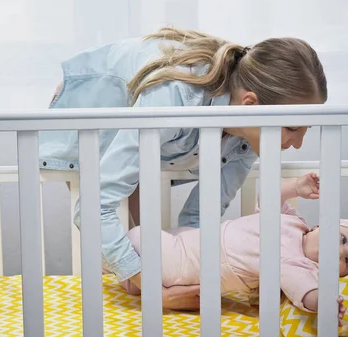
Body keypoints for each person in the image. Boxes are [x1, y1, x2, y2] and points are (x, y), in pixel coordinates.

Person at [39, 26, 328, 309]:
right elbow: (92, 206)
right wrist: (154, 289)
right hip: (92, 104)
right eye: (292, 128)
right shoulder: (176, 96)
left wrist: (191, 276)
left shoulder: (247, 135)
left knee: (150, 248)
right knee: (125, 251)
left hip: (144, 114)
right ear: (250, 104)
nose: (299, 143)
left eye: (306, 129)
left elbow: (199, 219)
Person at [120, 173, 348, 326]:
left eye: (346, 261)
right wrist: (296, 187)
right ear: (323, 226)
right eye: (342, 239)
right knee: (173, 236)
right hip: (192, 244)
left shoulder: (297, 264)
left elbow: (306, 292)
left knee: (142, 235)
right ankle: (132, 281)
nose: (337, 251)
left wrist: (324, 303)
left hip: (184, 266)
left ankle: (120, 263)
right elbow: (268, 197)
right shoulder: (293, 222)